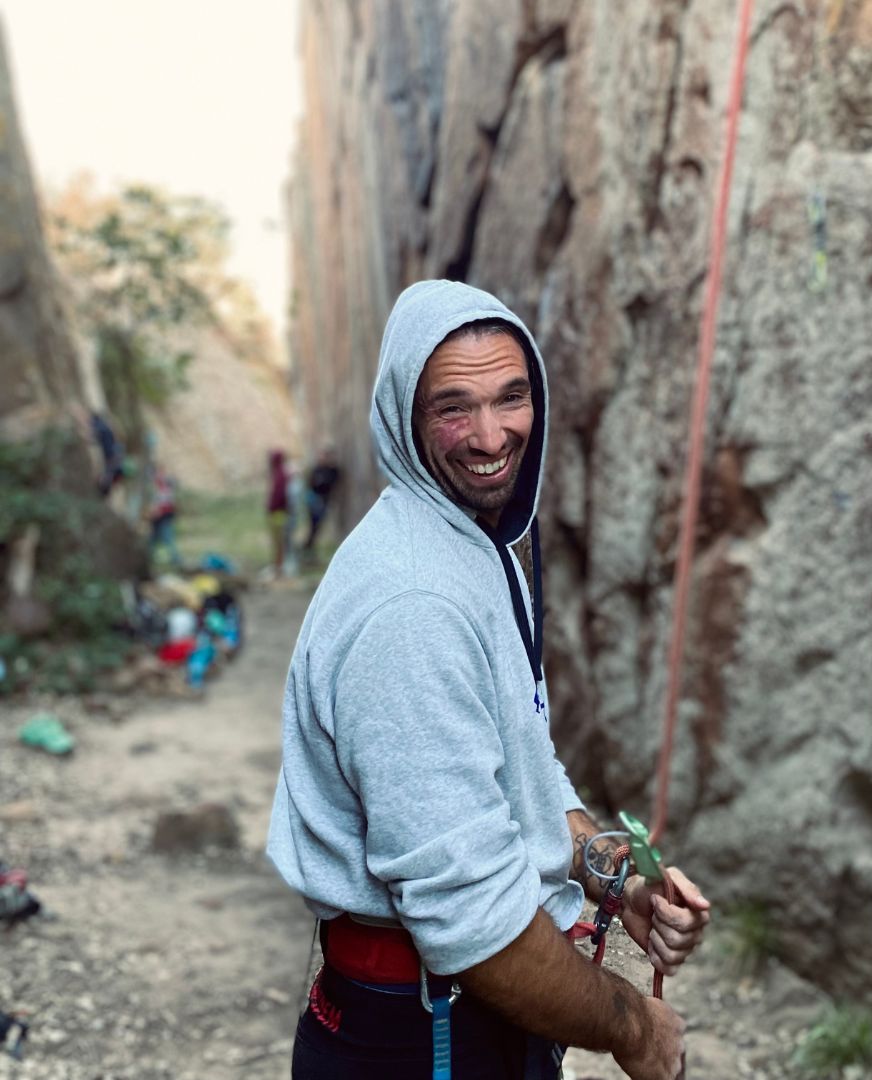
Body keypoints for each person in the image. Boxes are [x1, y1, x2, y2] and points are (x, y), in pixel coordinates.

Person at [267, 281, 709, 1080]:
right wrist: (636, 1027)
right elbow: (473, 921)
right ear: (404, 414)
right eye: (453, 407)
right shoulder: (414, 605)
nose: (490, 434)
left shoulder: (468, 546)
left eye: (512, 397)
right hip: (426, 1038)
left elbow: (520, 774)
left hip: (464, 1018)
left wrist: (614, 881)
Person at [302, 447, 340, 555]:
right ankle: (308, 547)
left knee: (318, 525)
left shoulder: (332, 471)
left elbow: (330, 482)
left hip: (323, 500)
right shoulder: (317, 469)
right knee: (313, 524)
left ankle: (309, 546)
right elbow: (312, 483)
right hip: (314, 499)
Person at [146, 464, 181, 568]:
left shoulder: (164, 486)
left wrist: (156, 510)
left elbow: (166, 502)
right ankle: (149, 557)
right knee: (153, 539)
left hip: (164, 515)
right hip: (157, 517)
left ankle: (175, 559)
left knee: (167, 537)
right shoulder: (156, 486)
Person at [266, 449, 290, 577]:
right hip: (277, 512)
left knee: (278, 541)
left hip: (278, 513)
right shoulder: (278, 473)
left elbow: (280, 496)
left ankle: (279, 567)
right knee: (277, 541)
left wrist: (273, 507)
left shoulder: (281, 475)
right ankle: (278, 565)